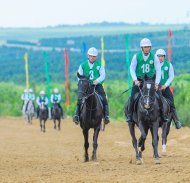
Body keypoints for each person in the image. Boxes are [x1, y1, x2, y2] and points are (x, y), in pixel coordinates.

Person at [126, 38, 168, 123]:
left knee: (159, 96)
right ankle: (130, 116)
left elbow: (158, 70)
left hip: (150, 81)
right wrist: (135, 80)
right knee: (132, 97)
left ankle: (163, 115)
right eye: (145, 47)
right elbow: (131, 68)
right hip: (139, 80)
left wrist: (156, 83)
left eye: (148, 47)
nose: (146, 48)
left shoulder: (154, 57)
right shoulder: (136, 56)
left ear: (150, 48)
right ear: (142, 48)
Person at [73, 47, 110, 124]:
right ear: (88, 56)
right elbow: (79, 76)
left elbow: (103, 75)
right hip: (86, 86)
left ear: (96, 57)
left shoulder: (99, 65)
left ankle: (106, 116)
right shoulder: (83, 65)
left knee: (103, 97)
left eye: (94, 56)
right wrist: (83, 83)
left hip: (97, 85)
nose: (92, 57)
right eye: (91, 56)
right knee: (80, 97)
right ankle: (76, 115)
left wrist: (97, 80)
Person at [156, 48, 181, 129]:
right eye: (158, 56)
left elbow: (171, 76)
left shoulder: (168, 65)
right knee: (147, 100)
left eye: (162, 56)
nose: (160, 58)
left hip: (165, 88)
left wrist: (165, 85)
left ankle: (176, 120)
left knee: (171, 103)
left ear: (164, 57)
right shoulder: (153, 65)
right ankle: (141, 118)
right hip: (155, 88)